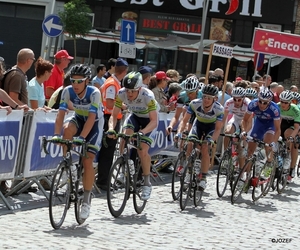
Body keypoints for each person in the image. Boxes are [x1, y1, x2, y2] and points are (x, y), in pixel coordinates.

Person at [52, 64, 104, 220]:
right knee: (67, 129)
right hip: (78, 118)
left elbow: (91, 118)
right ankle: (68, 164)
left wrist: (82, 138)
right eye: (73, 81)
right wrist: (56, 134)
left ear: (87, 81)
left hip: (94, 124)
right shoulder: (67, 91)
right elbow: (61, 115)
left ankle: (87, 200)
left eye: (79, 81)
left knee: (88, 161)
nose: (75, 84)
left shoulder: (94, 92)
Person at [107, 71, 158, 200]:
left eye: (132, 91)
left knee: (142, 150)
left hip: (149, 122)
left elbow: (154, 121)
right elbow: (114, 115)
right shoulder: (121, 93)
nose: (129, 94)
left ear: (139, 89)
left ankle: (146, 183)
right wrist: (111, 129)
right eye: (127, 90)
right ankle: (124, 166)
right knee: (124, 138)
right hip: (134, 116)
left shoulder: (148, 96)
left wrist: (142, 132)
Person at [175, 84, 224, 190]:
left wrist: (212, 140)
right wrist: (179, 132)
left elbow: (218, 129)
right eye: (204, 97)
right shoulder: (194, 103)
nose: (206, 100)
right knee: (190, 143)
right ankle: (188, 171)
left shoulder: (219, 109)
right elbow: (184, 121)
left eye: (209, 98)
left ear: (214, 99)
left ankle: (203, 178)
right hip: (198, 125)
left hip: (211, 128)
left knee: (205, 148)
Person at [96, 58, 128, 191]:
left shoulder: (114, 82)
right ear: (125, 71)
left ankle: (103, 180)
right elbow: (109, 103)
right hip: (109, 118)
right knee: (107, 152)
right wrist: (124, 106)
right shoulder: (112, 83)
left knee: (108, 151)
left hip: (111, 117)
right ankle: (103, 182)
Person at [241, 89, 281, 168]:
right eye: (260, 101)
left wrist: (274, 142)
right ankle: (247, 175)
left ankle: (269, 165)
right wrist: (243, 131)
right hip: (259, 123)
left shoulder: (275, 109)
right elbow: (244, 120)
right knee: (250, 151)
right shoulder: (253, 104)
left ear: (269, 102)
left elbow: (277, 129)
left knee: (268, 143)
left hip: (270, 124)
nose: (261, 104)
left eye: (265, 103)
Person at [277, 90, 300, 183]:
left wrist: (292, 137)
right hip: (282, 124)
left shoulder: (295, 109)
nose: (283, 104)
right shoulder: (277, 106)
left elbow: (297, 127)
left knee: (292, 142)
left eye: (286, 102)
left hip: (293, 126)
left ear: (290, 102)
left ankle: (291, 167)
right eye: (282, 101)